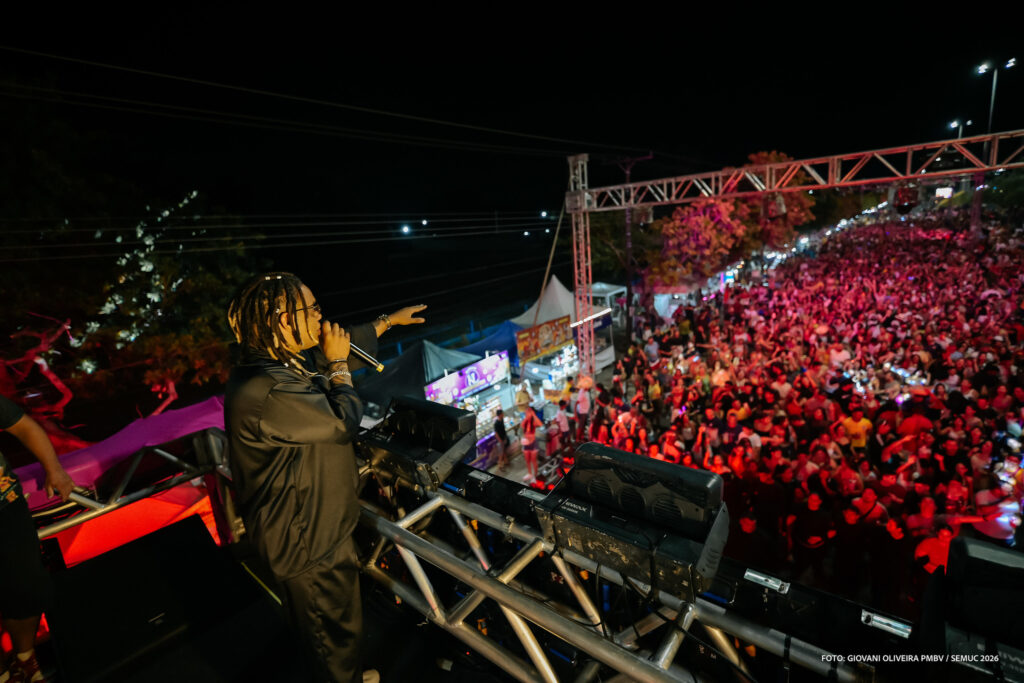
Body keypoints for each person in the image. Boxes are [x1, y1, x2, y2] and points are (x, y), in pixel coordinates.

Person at [224, 272, 425, 682]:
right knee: (328, 632)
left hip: (315, 525)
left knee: (338, 626)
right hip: (305, 540)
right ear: (285, 320)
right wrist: (338, 366)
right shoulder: (266, 388)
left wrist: (387, 322)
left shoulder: (277, 365)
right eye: (313, 309)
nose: (321, 316)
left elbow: (335, 346)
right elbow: (340, 420)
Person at [0, 395, 75, 683]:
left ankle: (25, 660)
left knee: (27, 589)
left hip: (5, 506)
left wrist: (54, 469)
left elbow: (25, 427)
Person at [520, 405, 544, 484]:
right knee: (527, 460)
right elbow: (522, 425)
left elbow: (540, 424)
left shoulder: (534, 421)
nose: (526, 413)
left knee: (534, 461)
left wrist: (533, 415)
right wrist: (526, 417)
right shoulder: (525, 421)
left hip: (533, 443)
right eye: (526, 412)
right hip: (526, 443)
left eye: (528, 412)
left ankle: (535, 476)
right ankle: (530, 473)